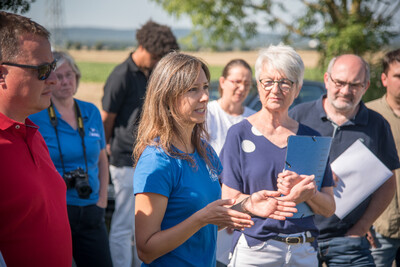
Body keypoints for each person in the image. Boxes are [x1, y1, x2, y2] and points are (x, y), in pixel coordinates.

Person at [133, 51, 298, 266]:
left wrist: (247, 205)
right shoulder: (157, 161)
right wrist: (201, 218)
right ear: (168, 96)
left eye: (204, 87)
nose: (204, 97)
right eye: (193, 89)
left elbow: (212, 218)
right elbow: (146, 250)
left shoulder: (204, 151)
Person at [220, 44, 335, 267]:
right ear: (259, 85)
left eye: (285, 82)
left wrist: (307, 192)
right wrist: (263, 201)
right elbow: (229, 200)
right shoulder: (239, 134)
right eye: (268, 81)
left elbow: (329, 208)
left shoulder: (311, 138)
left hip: (304, 251)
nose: (275, 89)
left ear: (297, 88)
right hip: (256, 249)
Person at [290, 54, 400, 266]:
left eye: (354, 85)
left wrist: (361, 227)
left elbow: (388, 185)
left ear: (366, 86)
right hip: (298, 236)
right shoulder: (298, 116)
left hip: (347, 241)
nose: (346, 91)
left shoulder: (377, 125)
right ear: (326, 80)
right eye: (339, 82)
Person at [101, 20, 179, 267]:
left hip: (148, 157)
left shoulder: (150, 74)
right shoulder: (121, 75)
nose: (158, 62)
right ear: (143, 46)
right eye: (156, 57)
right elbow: (107, 119)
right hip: (124, 160)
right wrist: (105, 151)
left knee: (143, 228)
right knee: (124, 224)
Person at [0, 11, 72, 266]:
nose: (53, 79)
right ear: (1, 74)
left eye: (51, 66)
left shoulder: (32, 133)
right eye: (42, 70)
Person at [29, 51, 112, 267]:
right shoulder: (36, 117)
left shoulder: (90, 111)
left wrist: (102, 199)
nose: (65, 81)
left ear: (77, 77)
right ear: (49, 80)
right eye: (60, 76)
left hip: (92, 207)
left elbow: (102, 158)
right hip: (57, 210)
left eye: (70, 75)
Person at [366, 49, 400, 267]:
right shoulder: (369, 116)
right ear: (384, 79)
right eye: (398, 76)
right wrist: (364, 222)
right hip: (381, 227)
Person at [207, 59, 256, 155]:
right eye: (237, 82)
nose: (242, 88)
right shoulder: (207, 113)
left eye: (247, 84)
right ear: (222, 82)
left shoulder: (254, 118)